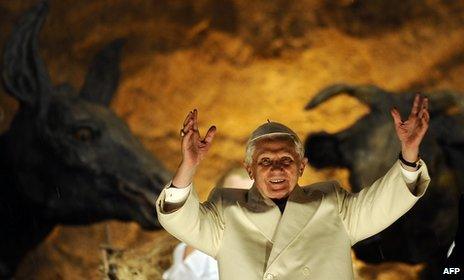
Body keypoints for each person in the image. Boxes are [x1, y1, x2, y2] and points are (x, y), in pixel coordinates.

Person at [155, 94, 431, 279]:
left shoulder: (332, 204)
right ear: (250, 169)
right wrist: (189, 164)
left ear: (302, 166)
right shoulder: (227, 211)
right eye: (265, 161)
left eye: (286, 159)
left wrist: (409, 153)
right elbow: (178, 218)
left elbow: (386, 202)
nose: (276, 168)